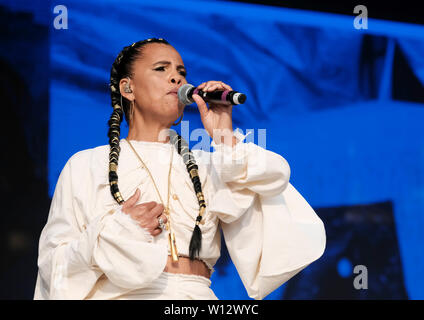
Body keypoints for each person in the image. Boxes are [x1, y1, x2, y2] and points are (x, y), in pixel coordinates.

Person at [34, 38, 326, 300]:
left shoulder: (210, 164)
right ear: (128, 88)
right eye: (161, 69)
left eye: (182, 72)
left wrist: (224, 137)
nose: (176, 77)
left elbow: (273, 190)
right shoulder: (86, 165)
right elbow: (55, 268)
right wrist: (116, 230)